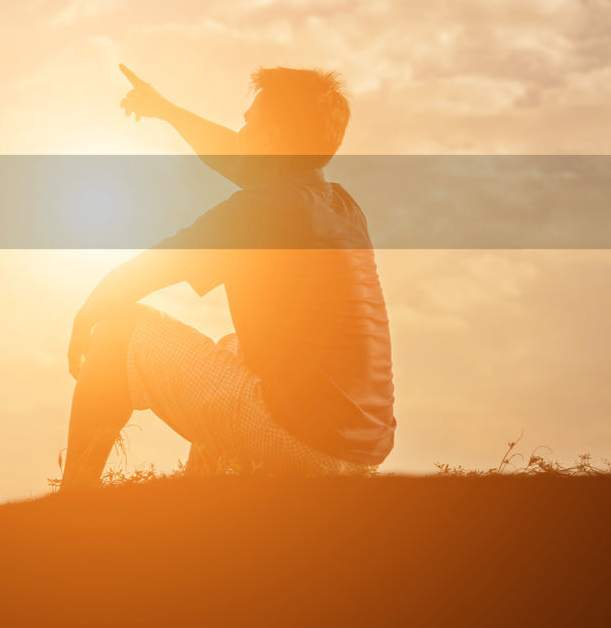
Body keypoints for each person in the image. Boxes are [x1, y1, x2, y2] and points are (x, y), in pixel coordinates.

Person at [59, 64, 395, 489]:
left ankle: (69, 505)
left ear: (271, 139)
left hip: (302, 441)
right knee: (234, 348)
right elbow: (245, 163)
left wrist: (85, 317)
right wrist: (165, 110)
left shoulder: (260, 211)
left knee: (115, 332)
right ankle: (207, 507)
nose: (240, 130)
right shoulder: (341, 206)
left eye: (248, 122)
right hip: (361, 452)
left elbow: (150, 269)